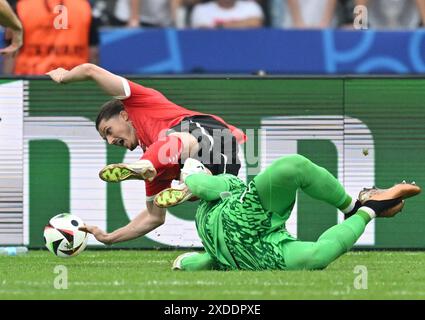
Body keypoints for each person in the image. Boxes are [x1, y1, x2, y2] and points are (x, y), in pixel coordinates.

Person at [47, 63, 246, 244]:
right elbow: (154, 217)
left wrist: (65, 77)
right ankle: (191, 185)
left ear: (124, 115)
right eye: (105, 139)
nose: (110, 141)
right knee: (215, 214)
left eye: (108, 131)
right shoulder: (157, 159)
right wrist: (108, 237)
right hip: (224, 163)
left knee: (176, 140)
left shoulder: (139, 102)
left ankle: (181, 180)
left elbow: (90, 70)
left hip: (211, 132)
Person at [152, 155, 420, 271]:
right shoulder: (203, 217)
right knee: (318, 258)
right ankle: (370, 209)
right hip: (255, 256)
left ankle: (350, 207)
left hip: (245, 214)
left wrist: (191, 183)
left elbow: (210, 186)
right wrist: (187, 263)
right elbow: (212, 260)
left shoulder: (227, 182)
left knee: (293, 166)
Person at [4, 0, 99, 75]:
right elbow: (93, 54)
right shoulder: (85, 7)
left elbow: (10, 53)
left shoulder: (21, 7)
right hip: (74, 79)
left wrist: (6, 92)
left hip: (31, 79)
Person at [191, 0, 264, 28]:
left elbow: (255, 23)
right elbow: (204, 33)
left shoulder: (251, 6)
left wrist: (221, 26)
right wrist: (242, 24)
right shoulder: (201, 9)